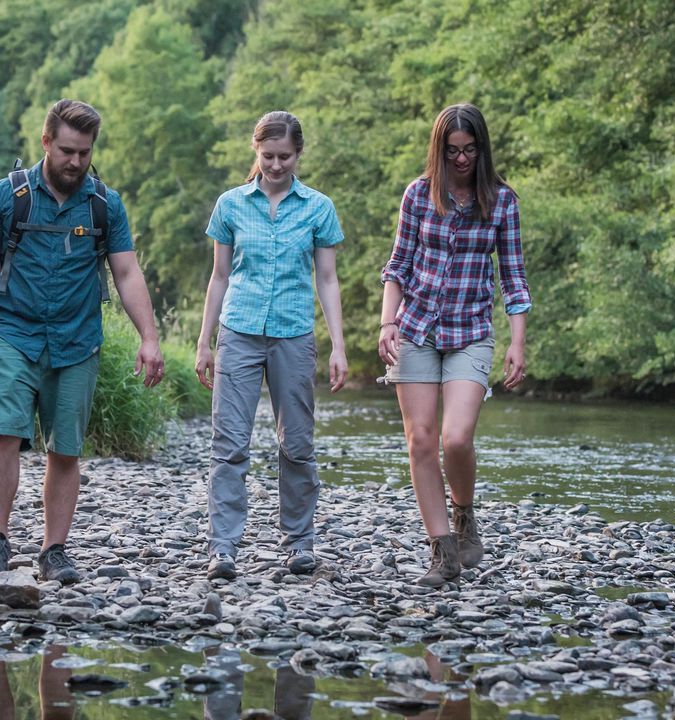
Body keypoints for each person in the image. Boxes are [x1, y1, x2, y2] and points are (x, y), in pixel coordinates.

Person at [0, 99, 164, 584]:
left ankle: (54, 550)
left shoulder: (103, 205)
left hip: (77, 342)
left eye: (85, 152)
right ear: (46, 142)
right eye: (68, 150)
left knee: (66, 449)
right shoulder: (7, 197)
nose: (76, 161)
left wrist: (150, 338)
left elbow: (127, 272)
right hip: (12, 333)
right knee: (2, 433)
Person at [378, 103, 530, 587]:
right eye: (452, 151)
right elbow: (398, 265)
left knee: (456, 437)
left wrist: (518, 343)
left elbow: (514, 279)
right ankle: (442, 553)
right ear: (438, 151)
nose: (461, 159)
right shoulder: (419, 195)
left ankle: (464, 515)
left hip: (470, 333)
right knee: (421, 440)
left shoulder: (502, 201)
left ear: (481, 149)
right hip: (416, 327)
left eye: (469, 150)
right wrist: (387, 323)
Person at [194, 110, 347, 581]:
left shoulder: (318, 208)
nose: (276, 165)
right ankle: (223, 548)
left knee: (297, 445)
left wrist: (339, 345)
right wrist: (204, 343)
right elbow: (219, 278)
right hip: (238, 332)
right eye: (268, 157)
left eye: (284, 157)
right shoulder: (231, 205)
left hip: (294, 334)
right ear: (255, 152)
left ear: (299, 154)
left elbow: (326, 279)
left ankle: (300, 543)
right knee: (229, 444)